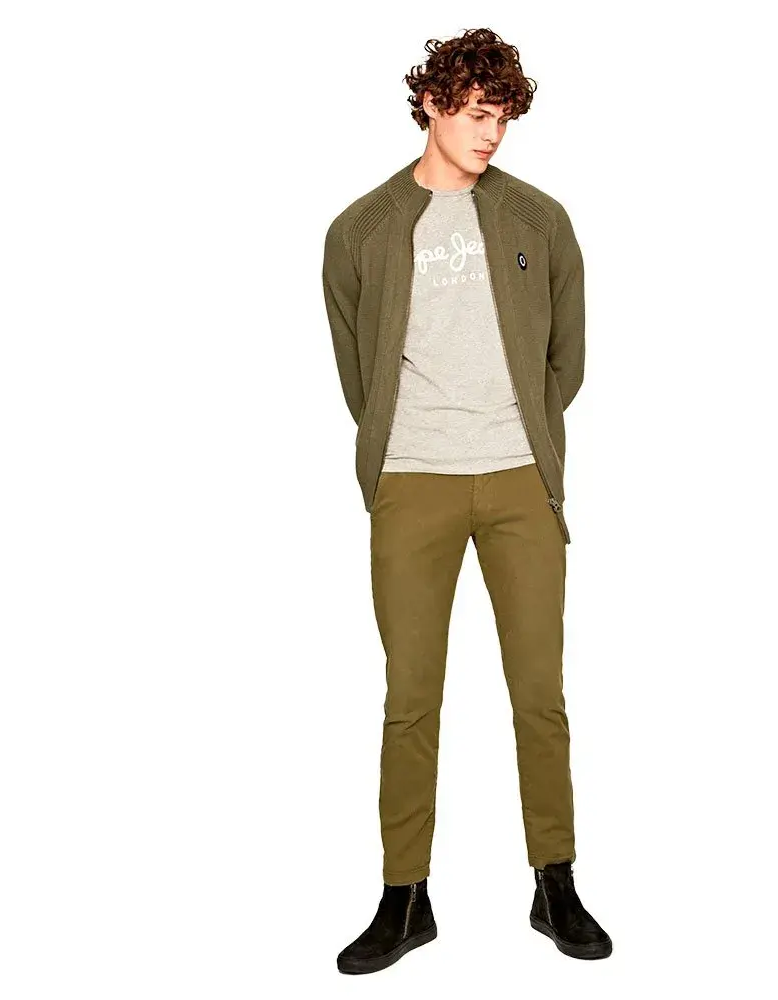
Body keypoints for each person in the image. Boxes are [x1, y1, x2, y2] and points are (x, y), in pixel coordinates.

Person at [321, 27, 610, 974]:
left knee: (540, 694)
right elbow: (359, 372)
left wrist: (524, 438)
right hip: (412, 481)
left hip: (522, 481)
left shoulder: (538, 219)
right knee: (410, 698)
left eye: (504, 118)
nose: (492, 133)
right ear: (433, 105)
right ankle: (404, 898)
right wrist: (401, 451)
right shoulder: (361, 231)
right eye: (478, 113)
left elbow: (567, 357)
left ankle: (555, 883)